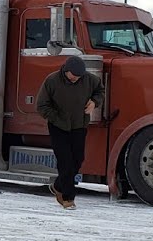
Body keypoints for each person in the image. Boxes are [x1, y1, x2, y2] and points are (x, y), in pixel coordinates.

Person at [36, 55, 104, 210]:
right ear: (66, 71)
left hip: (79, 126)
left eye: (79, 76)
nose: (76, 79)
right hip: (58, 127)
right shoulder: (52, 81)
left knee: (78, 160)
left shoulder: (90, 79)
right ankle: (68, 198)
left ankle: (58, 186)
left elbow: (100, 91)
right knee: (66, 163)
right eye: (73, 76)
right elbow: (41, 106)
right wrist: (57, 118)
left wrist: (94, 102)